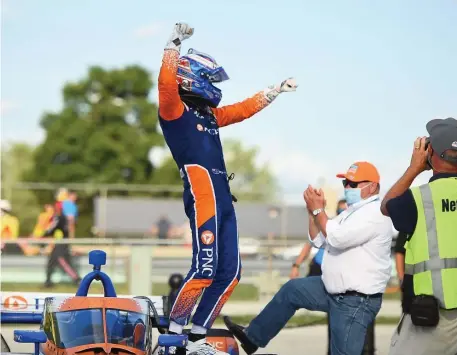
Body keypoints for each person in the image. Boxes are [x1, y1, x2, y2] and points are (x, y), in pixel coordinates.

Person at [157, 22, 297, 354]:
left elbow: (242, 110)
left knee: (230, 272)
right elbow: (165, 84)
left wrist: (274, 91)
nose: (214, 87)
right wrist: (173, 45)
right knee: (204, 268)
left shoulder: (208, 115)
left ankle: (196, 339)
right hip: (202, 195)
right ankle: (174, 338)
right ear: (192, 79)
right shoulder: (174, 110)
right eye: (209, 80)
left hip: (223, 199)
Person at [224, 161, 394, 355]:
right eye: (345, 183)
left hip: (356, 301)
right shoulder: (350, 212)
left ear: (372, 186)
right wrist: (311, 211)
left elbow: (336, 238)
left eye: (352, 184)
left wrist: (319, 211)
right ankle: (253, 337)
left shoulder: (374, 213)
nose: (347, 187)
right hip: (333, 290)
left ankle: (254, 337)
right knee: (292, 290)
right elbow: (317, 240)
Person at [380, 117, 457, 355]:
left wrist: (414, 168)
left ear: (429, 152)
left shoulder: (418, 199)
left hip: (434, 317)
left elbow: (386, 206)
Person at [289, 198, 348, 355]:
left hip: (337, 273)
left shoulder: (352, 228)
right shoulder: (330, 225)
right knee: (294, 292)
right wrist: (296, 265)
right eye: (340, 209)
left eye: (345, 209)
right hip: (319, 267)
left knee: (337, 316)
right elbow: (309, 244)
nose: (342, 212)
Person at [44, 202, 81, 288]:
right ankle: (48, 282)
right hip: (61, 243)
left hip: (61, 244)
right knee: (51, 262)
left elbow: (52, 229)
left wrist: (45, 234)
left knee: (64, 262)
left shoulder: (59, 217)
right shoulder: (64, 218)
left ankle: (77, 280)